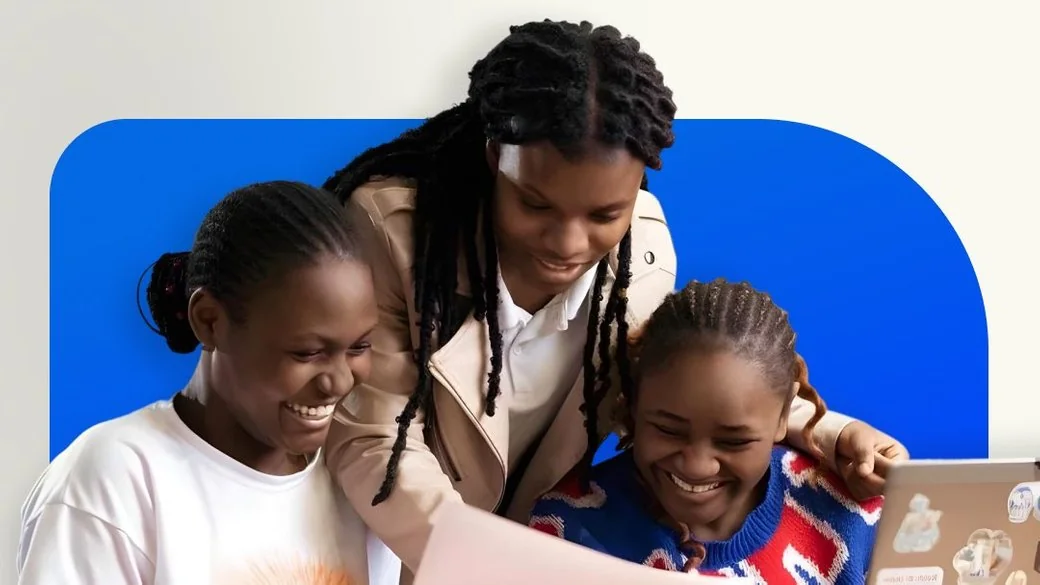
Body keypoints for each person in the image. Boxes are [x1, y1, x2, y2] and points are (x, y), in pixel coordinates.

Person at [322, 19, 907, 574]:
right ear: (495, 154)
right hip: (396, 542)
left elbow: (684, 376)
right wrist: (495, 565)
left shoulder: (642, 251)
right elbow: (374, 440)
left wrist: (831, 433)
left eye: (605, 214)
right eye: (535, 204)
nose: (568, 243)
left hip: (532, 550)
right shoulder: (401, 235)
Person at [17, 181, 401, 585]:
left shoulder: (364, 479)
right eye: (307, 352)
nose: (339, 381)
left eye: (359, 347)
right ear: (210, 321)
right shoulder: (115, 482)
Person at [529, 278, 885, 582]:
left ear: (783, 416)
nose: (697, 466)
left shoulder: (851, 517)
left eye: (734, 441)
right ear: (633, 402)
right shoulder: (565, 530)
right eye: (668, 430)